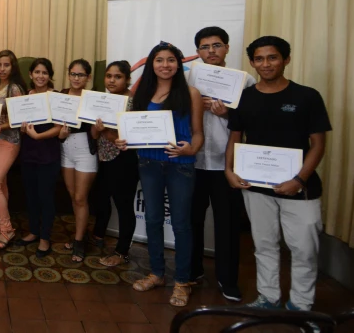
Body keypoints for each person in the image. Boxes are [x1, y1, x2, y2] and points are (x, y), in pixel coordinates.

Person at [225, 36, 331, 312]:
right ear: (252, 62)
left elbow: (318, 145)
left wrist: (299, 180)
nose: (266, 64)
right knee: (264, 245)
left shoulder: (307, 96)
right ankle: (268, 297)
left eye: (272, 57)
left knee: (305, 250)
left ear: (286, 59)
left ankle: (301, 305)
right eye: (259, 59)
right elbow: (235, 137)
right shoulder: (245, 97)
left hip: (300, 189)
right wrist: (229, 169)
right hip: (255, 186)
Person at [116, 42, 204, 307]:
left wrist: (191, 148)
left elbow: (199, 133)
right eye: (159, 60)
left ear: (179, 64)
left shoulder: (191, 93)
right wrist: (124, 141)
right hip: (149, 164)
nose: (165, 65)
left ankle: (182, 280)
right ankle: (157, 273)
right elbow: (132, 131)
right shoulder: (142, 94)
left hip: (180, 165)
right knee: (153, 220)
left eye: (171, 60)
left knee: (181, 224)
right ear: (151, 65)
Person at [190, 27, 256, 302]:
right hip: (192, 162)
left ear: (227, 48)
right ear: (198, 52)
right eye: (205, 47)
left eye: (217, 45)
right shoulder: (188, 77)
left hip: (225, 165)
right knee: (190, 220)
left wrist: (229, 113)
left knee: (227, 224)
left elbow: (256, 120)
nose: (211, 51)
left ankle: (227, 279)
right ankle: (192, 271)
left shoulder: (246, 80)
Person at [90, 60, 140, 267]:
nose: (112, 80)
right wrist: (99, 129)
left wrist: (109, 135)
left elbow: (132, 136)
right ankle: (99, 237)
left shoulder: (134, 102)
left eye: (117, 76)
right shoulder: (102, 100)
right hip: (103, 158)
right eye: (109, 76)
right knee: (101, 199)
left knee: (124, 205)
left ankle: (122, 251)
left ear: (127, 79)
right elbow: (94, 134)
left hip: (125, 161)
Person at [16, 58, 61, 257]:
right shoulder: (26, 96)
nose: (40, 76)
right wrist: (23, 128)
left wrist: (39, 136)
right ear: (31, 75)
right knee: (31, 196)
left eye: (44, 72)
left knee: (46, 197)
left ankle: (45, 237)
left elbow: (59, 128)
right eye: (37, 72)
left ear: (49, 76)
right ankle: (34, 231)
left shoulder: (55, 97)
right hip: (28, 152)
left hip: (48, 153)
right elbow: (20, 125)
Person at [0, 50, 26, 250]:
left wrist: (2, 127)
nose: (2, 69)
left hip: (8, 142)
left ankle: (7, 229)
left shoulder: (15, 89)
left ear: (13, 66)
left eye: (6, 65)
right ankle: (1, 227)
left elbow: (18, 120)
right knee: (0, 185)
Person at [59, 59, 97, 263]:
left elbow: (95, 133)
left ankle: (80, 241)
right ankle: (79, 235)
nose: (76, 78)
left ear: (88, 77)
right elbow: (56, 127)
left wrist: (98, 127)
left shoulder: (93, 98)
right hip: (66, 149)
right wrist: (61, 134)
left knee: (81, 197)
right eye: (73, 74)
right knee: (74, 196)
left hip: (85, 150)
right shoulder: (62, 95)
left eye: (80, 75)